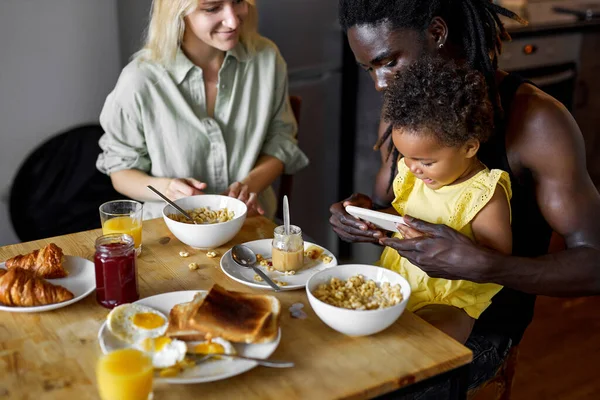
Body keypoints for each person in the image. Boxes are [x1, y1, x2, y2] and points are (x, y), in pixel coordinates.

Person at [330, 0, 600, 393]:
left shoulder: (538, 122)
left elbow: (594, 263)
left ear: (437, 33)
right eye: (370, 68)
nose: (380, 83)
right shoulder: (401, 107)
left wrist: (486, 265)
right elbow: (391, 202)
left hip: (479, 323)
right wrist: (363, 215)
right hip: (405, 295)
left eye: (388, 61)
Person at [97, 0, 308, 220]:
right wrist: (167, 187)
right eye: (212, 8)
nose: (233, 20)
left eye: (238, 1)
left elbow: (281, 141)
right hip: (167, 234)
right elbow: (120, 171)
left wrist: (249, 185)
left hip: (251, 226)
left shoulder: (266, 58)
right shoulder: (140, 79)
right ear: (177, 13)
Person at [378, 57, 512, 344]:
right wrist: (377, 222)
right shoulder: (414, 173)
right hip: (399, 279)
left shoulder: (485, 193)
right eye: (406, 157)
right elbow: (402, 211)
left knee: (419, 343)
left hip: (450, 297)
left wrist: (450, 248)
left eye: (425, 161)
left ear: (469, 147)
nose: (412, 168)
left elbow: (495, 261)